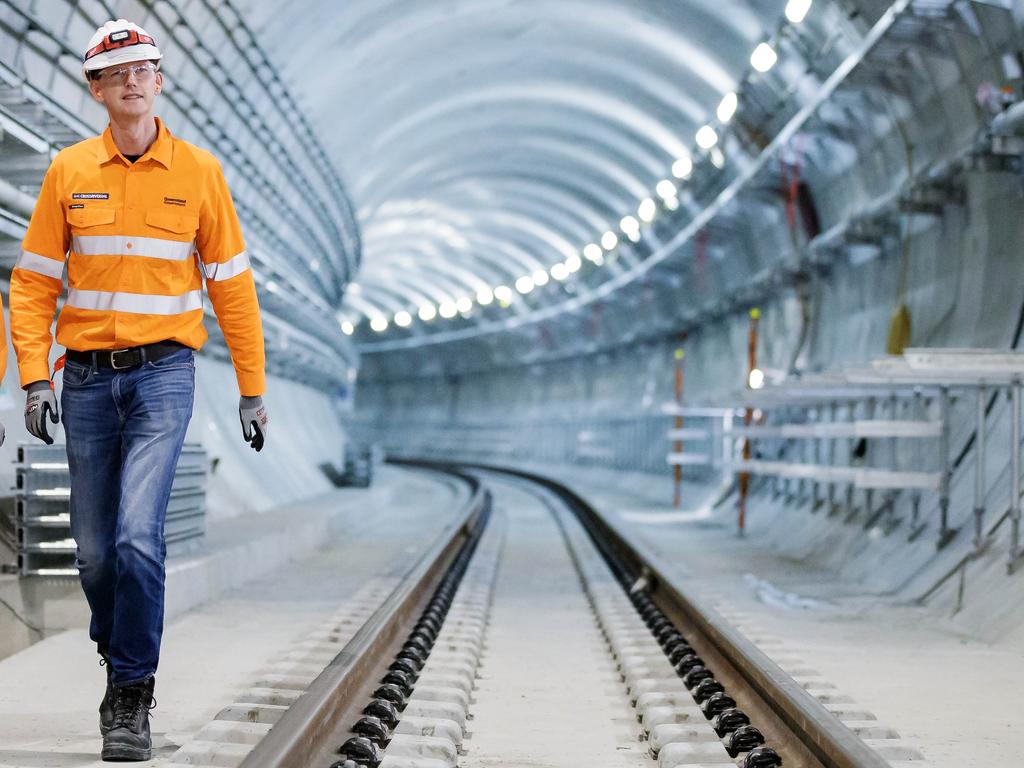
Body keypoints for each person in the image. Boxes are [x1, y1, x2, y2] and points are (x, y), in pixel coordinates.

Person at [9, 19, 269, 762]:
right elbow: (30, 287)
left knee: (135, 539)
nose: (133, 79)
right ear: (96, 89)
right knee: (93, 557)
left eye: (145, 68)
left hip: (164, 376)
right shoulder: (68, 173)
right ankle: (119, 640)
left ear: (159, 81)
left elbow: (233, 289)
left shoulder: (199, 174)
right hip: (87, 380)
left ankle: (131, 695)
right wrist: (34, 377)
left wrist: (251, 388)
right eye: (117, 71)